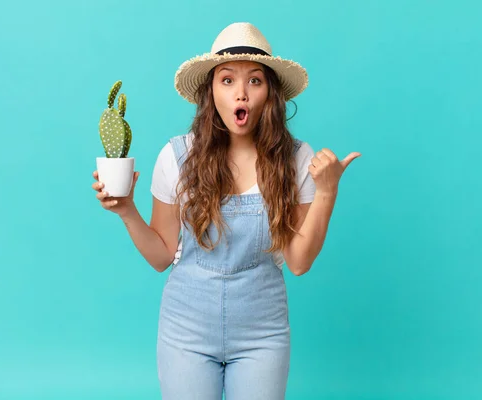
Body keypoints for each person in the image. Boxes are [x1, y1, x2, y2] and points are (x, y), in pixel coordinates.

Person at [92, 22, 360, 400]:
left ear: (271, 93)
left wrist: (327, 191)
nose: (242, 93)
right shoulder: (177, 157)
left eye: (255, 81)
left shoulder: (296, 159)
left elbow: (299, 262)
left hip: (261, 336)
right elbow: (161, 256)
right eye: (227, 80)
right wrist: (126, 210)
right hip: (185, 332)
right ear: (211, 92)